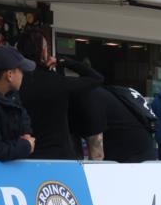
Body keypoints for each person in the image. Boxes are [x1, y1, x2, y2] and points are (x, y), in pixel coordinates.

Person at [15, 28, 102, 159]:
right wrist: (64, 61)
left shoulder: (13, 82)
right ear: (43, 51)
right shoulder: (56, 81)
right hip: (60, 157)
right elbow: (96, 78)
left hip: (25, 156)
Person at [72, 82, 157, 163]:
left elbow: (97, 156)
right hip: (143, 153)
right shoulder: (100, 94)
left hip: (132, 161)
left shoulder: (89, 97)